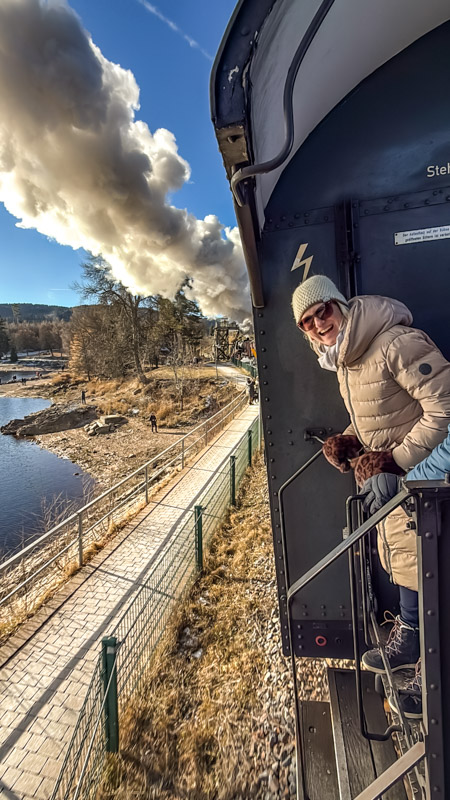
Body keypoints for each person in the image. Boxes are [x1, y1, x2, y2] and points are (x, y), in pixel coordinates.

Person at [292, 274, 450, 682]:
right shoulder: (346, 359)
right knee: (406, 558)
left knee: (430, 565)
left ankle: (432, 674)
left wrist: (395, 460)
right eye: (306, 322)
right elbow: (378, 413)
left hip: (427, 479)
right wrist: (348, 439)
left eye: (322, 311)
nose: (318, 324)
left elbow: (445, 410)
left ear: (339, 305)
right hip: (398, 484)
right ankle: (412, 640)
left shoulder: (394, 343)